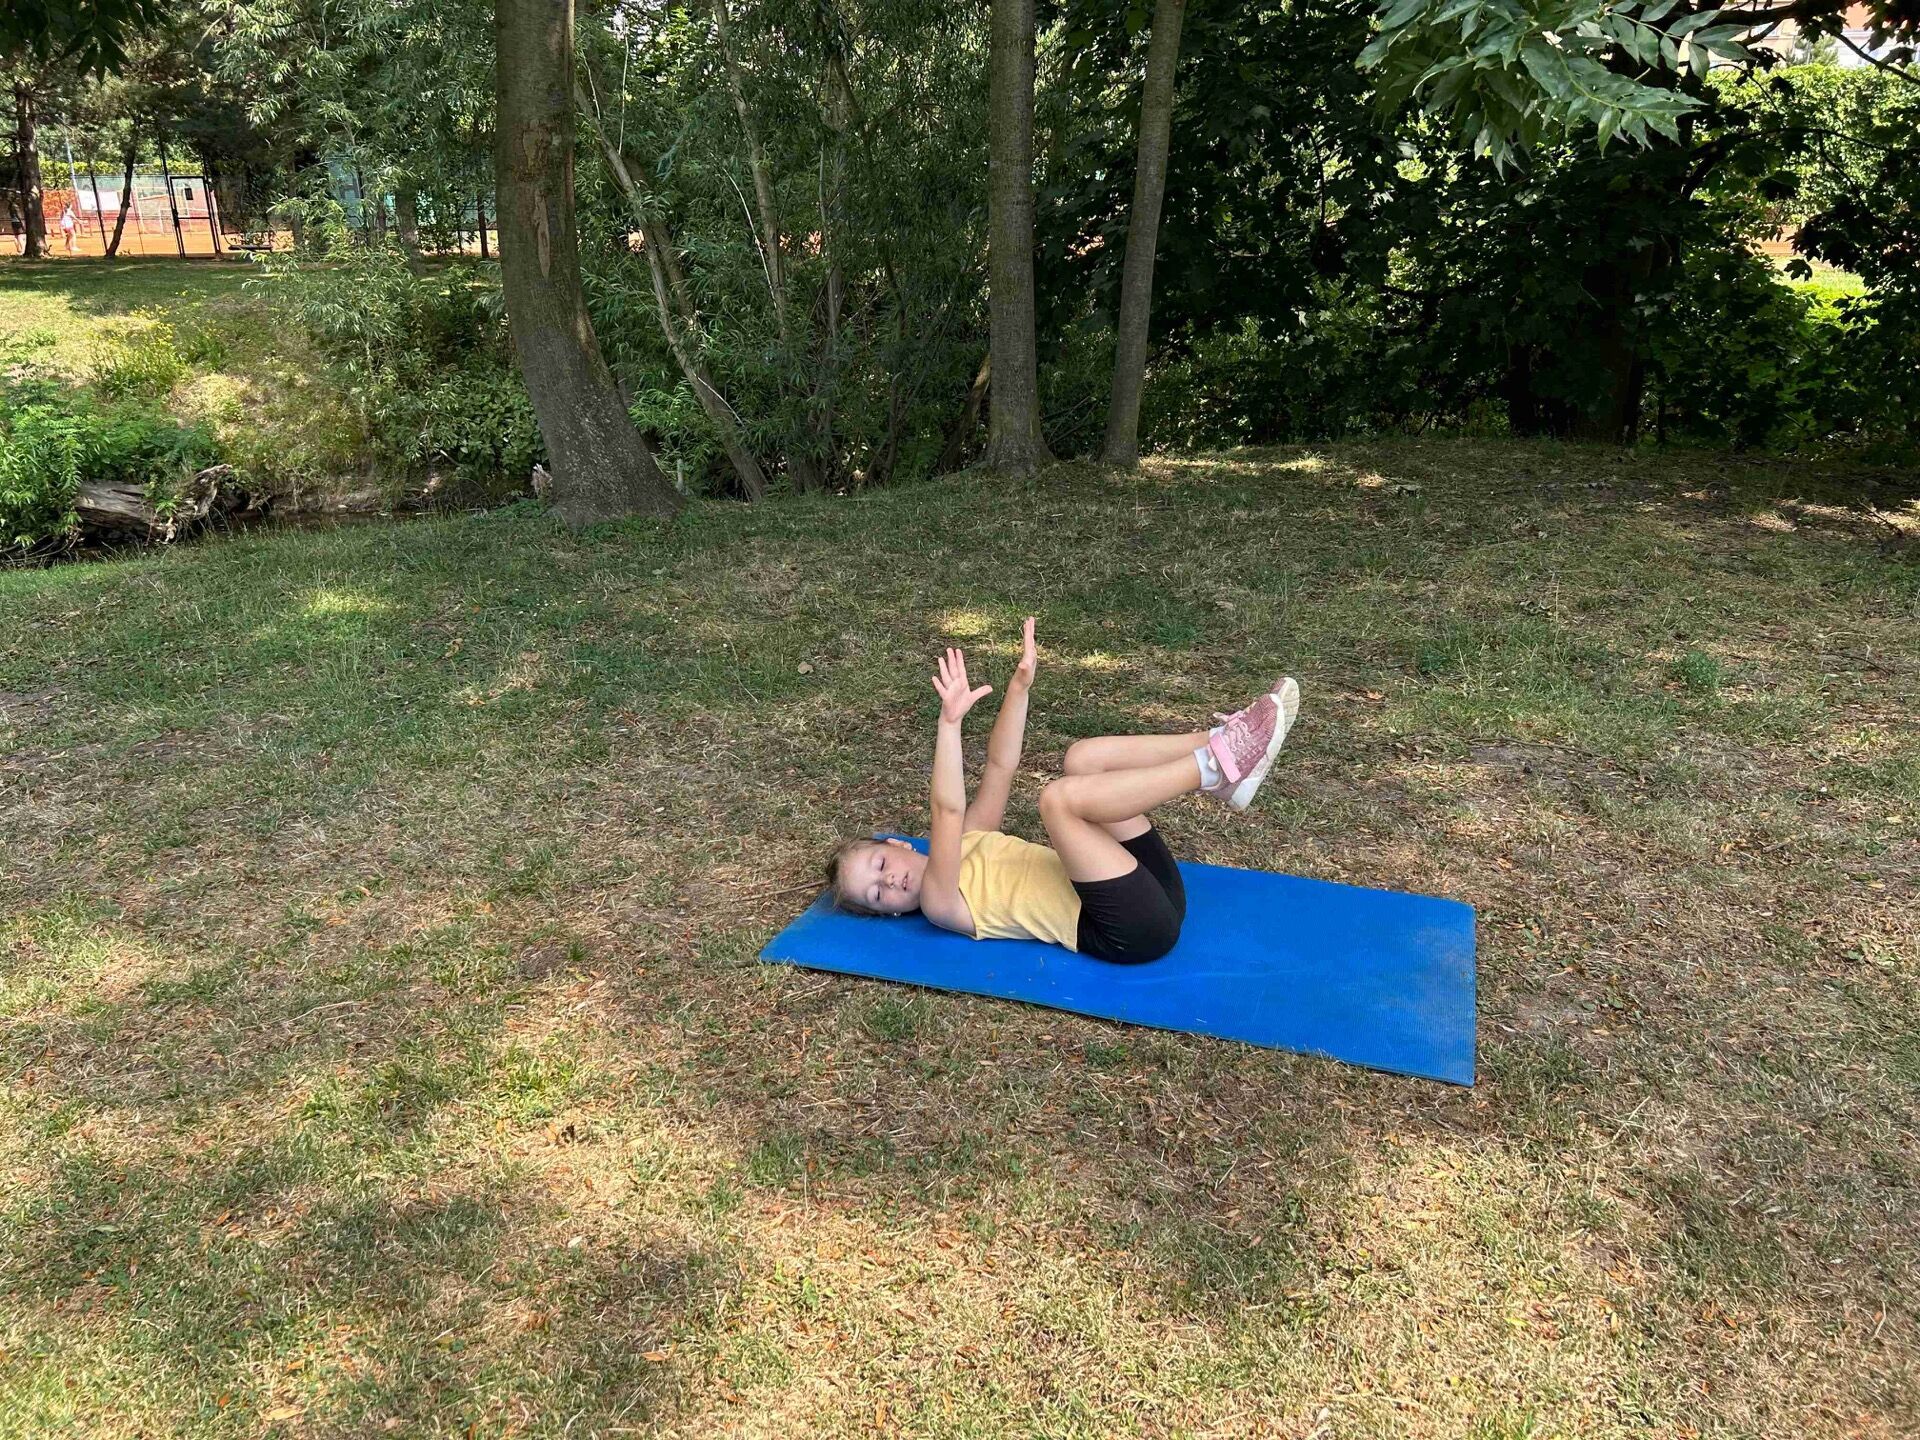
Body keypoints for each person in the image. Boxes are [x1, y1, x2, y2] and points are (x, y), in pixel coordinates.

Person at [824, 618, 1300, 964]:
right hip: (1129, 931)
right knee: (1058, 800)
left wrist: (1020, 687)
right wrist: (949, 725)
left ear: (898, 845)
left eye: (880, 866)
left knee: (1083, 759)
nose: (890, 883)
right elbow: (946, 810)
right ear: (889, 915)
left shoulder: (970, 838)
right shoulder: (939, 903)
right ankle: (1214, 766)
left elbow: (1000, 766)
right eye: (877, 896)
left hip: (1150, 887)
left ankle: (1221, 745)